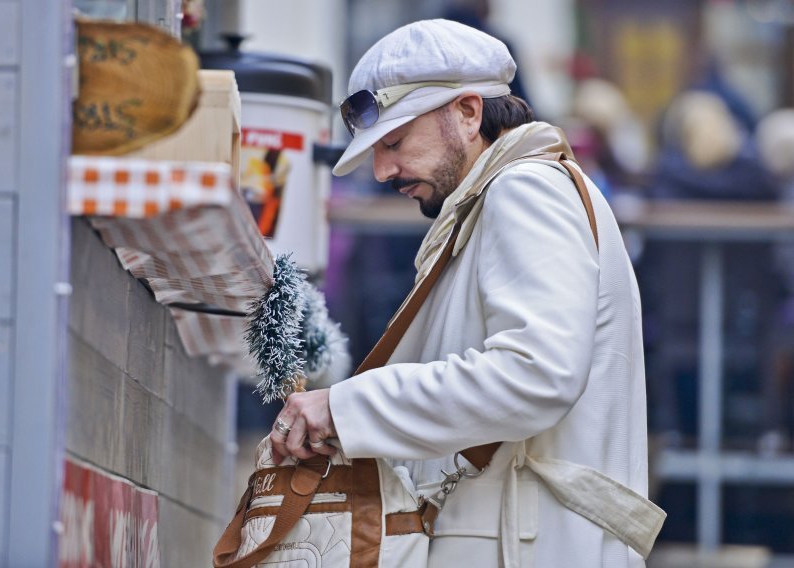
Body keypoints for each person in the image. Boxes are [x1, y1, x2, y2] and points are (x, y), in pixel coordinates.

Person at [269, 19, 662, 566]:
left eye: (395, 141)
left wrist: (346, 407)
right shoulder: (510, 192)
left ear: (469, 112)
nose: (382, 170)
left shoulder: (524, 188)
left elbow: (536, 372)